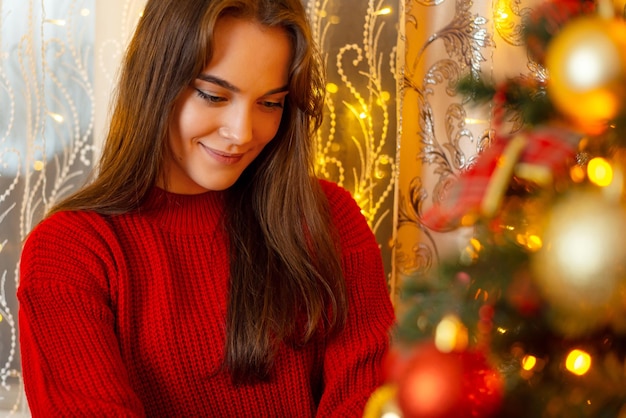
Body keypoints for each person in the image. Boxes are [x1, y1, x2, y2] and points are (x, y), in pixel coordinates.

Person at [17, 0, 396, 416]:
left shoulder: (327, 218)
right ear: (155, 82)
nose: (241, 132)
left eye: (270, 103)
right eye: (214, 96)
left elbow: (370, 399)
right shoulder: (69, 254)